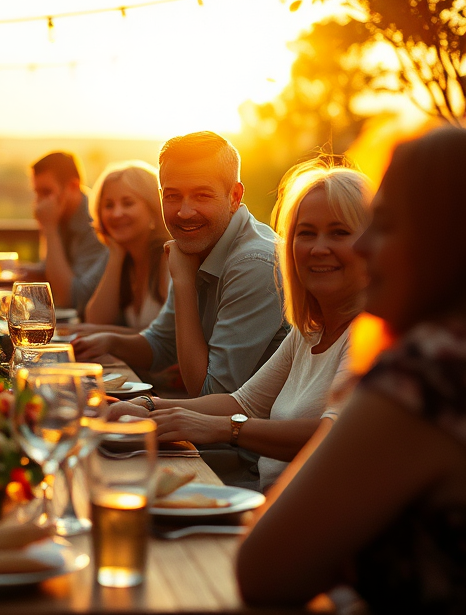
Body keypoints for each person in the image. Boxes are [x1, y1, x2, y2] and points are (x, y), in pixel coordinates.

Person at [237, 127, 466, 613]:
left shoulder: (430, 372)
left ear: (443, 237)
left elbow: (263, 569)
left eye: (381, 226)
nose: (361, 250)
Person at [111, 161, 372, 490]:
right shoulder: (308, 332)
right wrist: (149, 405)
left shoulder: (372, 337)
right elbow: (243, 403)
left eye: (339, 233)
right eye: (306, 233)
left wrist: (225, 429)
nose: (319, 248)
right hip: (271, 499)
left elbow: (333, 434)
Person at [74, 132, 289, 396]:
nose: (184, 213)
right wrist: (110, 342)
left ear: (234, 196)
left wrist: (184, 282)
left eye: (202, 196)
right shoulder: (198, 244)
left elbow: (209, 391)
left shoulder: (255, 264)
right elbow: (162, 344)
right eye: (173, 196)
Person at [75, 161, 170, 329]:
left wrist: (109, 339)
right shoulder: (122, 257)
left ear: (154, 208)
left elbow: (167, 339)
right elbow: (96, 321)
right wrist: (116, 256)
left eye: (128, 203)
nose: (117, 214)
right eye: (109, 205)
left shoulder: (168, 258)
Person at [28, 151, 108, 311]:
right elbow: (50, 271)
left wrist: (49, 229)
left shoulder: (98, 224)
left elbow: (71, 298)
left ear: (73, 186)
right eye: (37, 193)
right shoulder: (60, 215)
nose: (39, 204)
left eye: (46, 192)